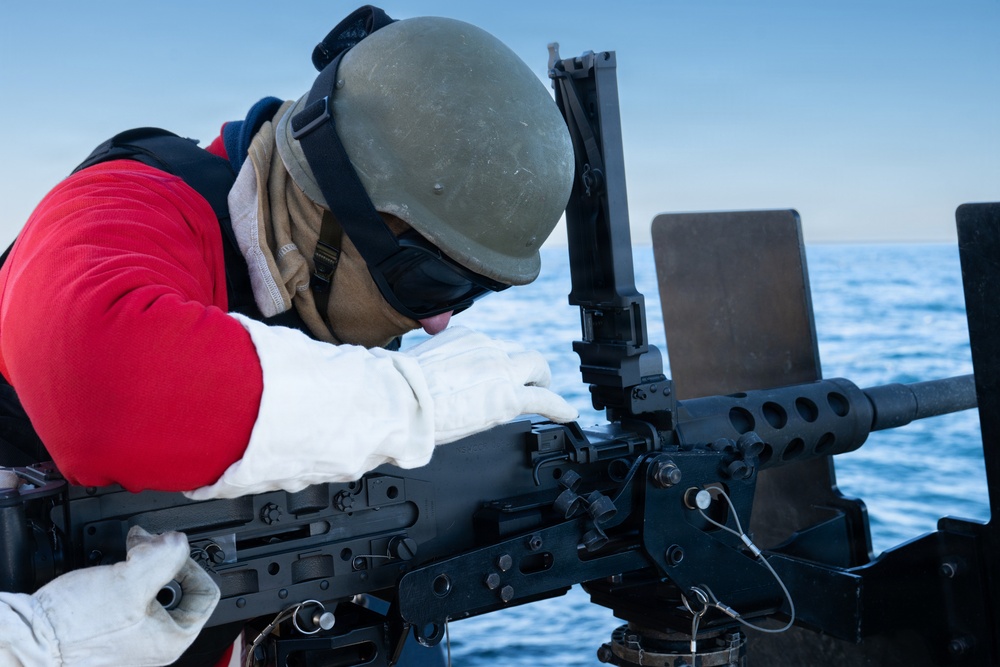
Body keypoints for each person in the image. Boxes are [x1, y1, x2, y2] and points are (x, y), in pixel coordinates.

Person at [0, 6, 576, 666]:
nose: (439, 324)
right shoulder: (123, 207)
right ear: (336, 211)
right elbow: (100, 383)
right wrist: (408, 401)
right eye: (433, 286)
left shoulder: (313, 295)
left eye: (474, 295)